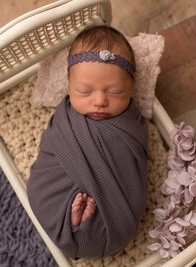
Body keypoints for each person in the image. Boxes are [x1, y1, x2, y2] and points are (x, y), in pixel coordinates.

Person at [27, 25, 148, 259]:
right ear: (69, 83)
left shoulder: (134, 125)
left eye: (114, 91)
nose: (100, 101)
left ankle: (82, 223)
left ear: (131, 85)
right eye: (84, 91)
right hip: (58, 191)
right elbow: (51, 149)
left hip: (117, 212)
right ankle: (70, 218)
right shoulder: (66, 120)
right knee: (39, 191)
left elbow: (135, 166)